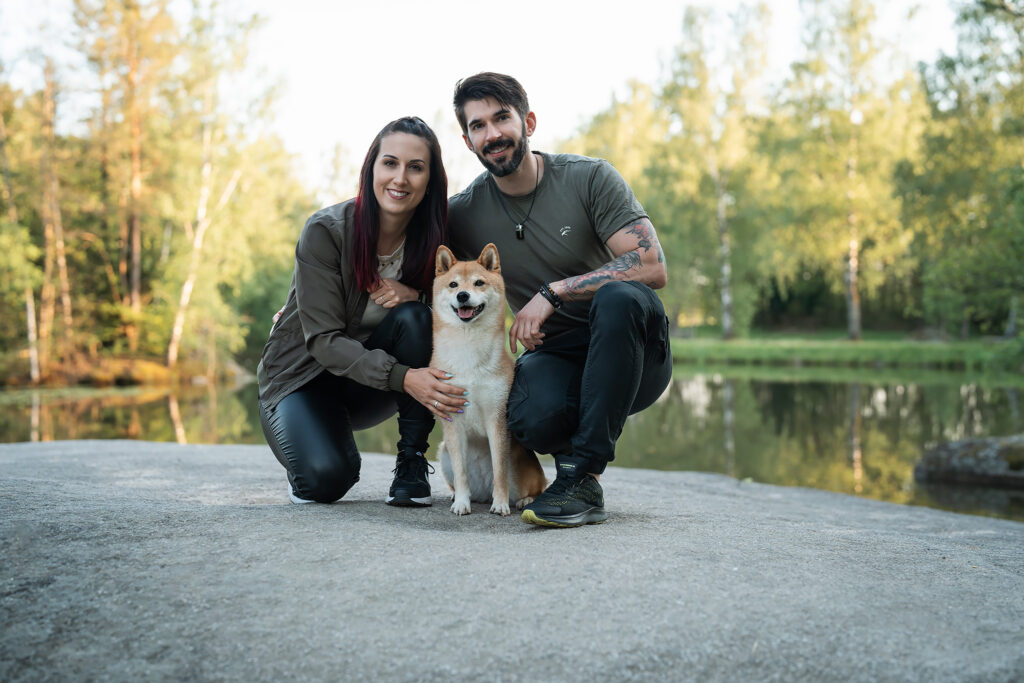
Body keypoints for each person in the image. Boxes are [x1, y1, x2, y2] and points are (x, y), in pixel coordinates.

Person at [447, 73, 673, 527]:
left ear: (528, 121)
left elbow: (651, 265)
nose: (492, 134)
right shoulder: (465, 212)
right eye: (477, 126)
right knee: (526, 414)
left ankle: (581, 477)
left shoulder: (589, 178)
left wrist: (553, 292)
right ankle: (575, 478)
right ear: (468, 141)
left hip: (632, 350)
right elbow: (417, 266)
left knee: (618, 298)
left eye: (501, 118)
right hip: (559, 355)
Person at [257, 117, 467, 506]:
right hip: (300, 379)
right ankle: (309, 444)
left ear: (430, 180)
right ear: (372, 167)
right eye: (390, 163)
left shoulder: (437, 240)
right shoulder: (326, 232)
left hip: (364, 387)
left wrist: (417, 296)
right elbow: (322, 340)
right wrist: (405, 378)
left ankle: (411, 464)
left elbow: (465, 303)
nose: (400, 178)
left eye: (415, 167)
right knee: (324, 481)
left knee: (417, 318)